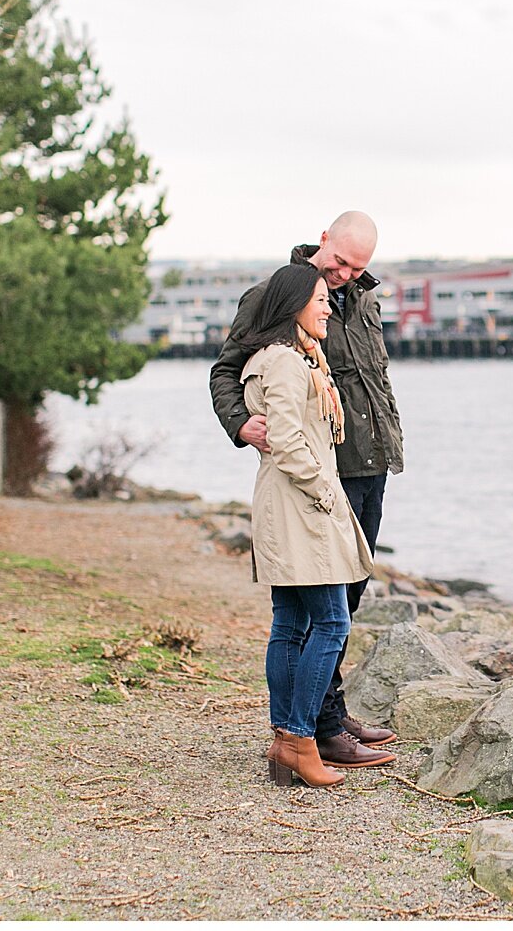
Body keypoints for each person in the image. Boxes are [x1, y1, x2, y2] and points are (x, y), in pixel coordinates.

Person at [210, 211, 405, 770]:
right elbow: (228, 371)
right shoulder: (274, 295)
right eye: (340, 261)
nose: (345, 274)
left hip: (369, 461)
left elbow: (374, 378)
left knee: (349, 595)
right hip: (320, 470)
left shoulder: (363, 298)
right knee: (325, 607)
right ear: (322, 239)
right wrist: (240, 424)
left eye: (358, 266)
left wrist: (390, 442)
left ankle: (329, 711)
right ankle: (314, 728)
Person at [237, 263, 377, 787]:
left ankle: (284, 740)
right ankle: (299, 738)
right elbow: (289, 441)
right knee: (332, 622)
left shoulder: (284, 360)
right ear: (293, 304)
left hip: (284, 502)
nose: (326, 307)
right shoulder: (289, 365)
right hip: (301, 505)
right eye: (319, 299)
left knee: (291, 624)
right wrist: (326, 493)